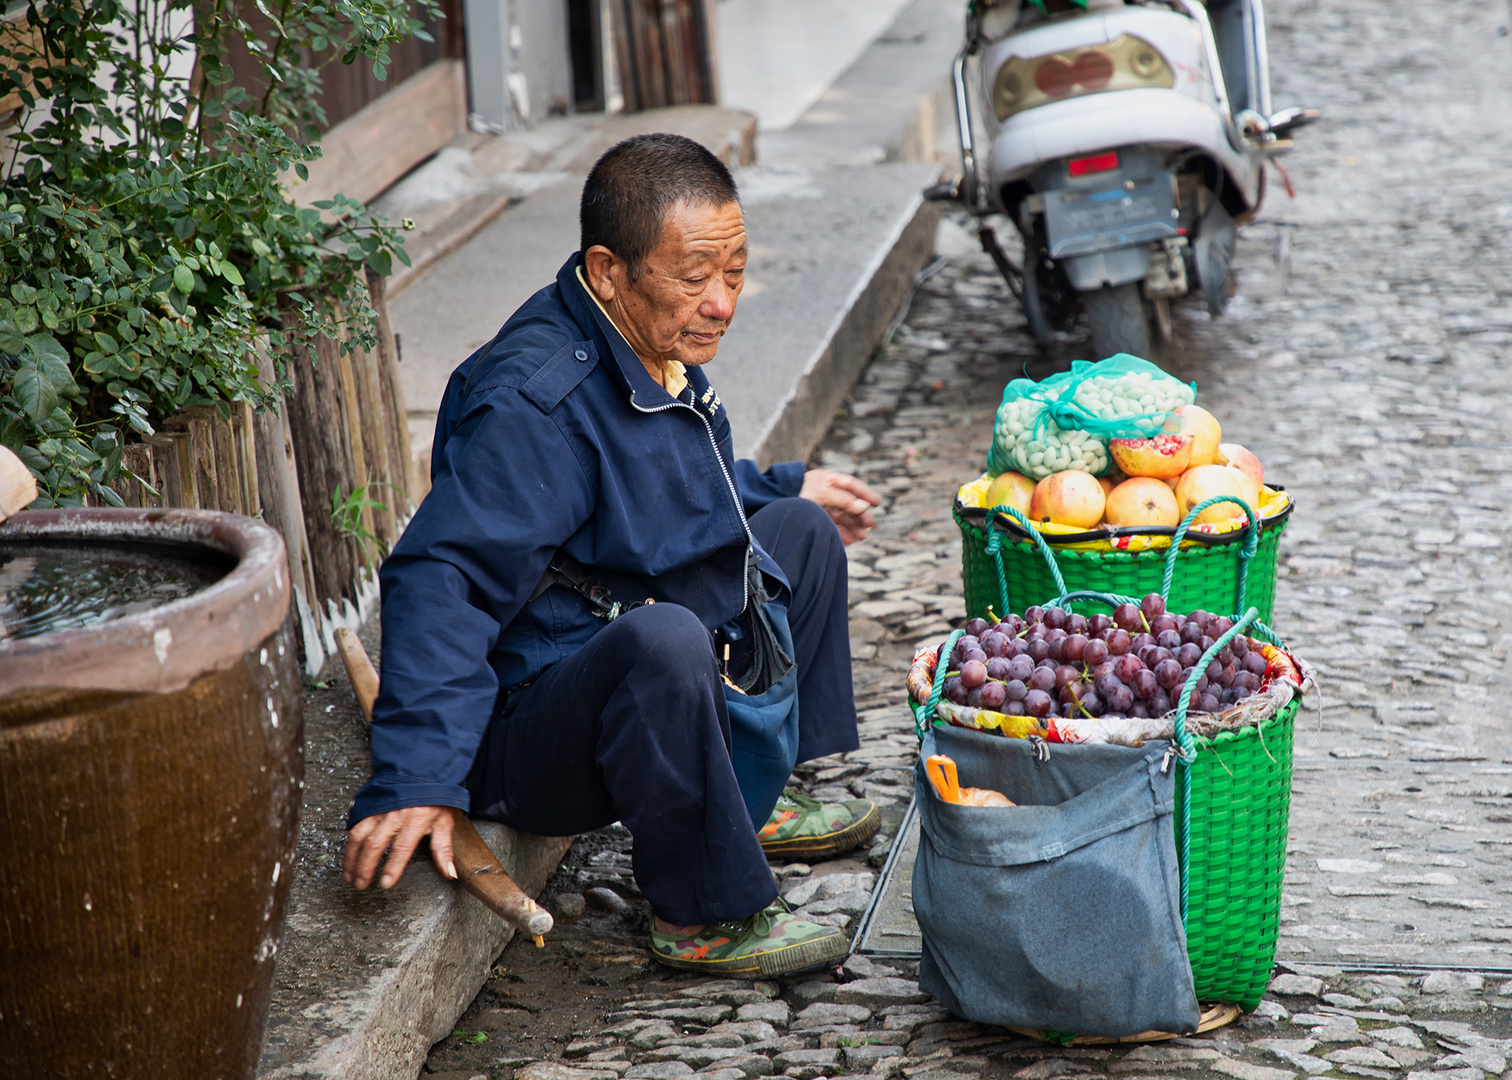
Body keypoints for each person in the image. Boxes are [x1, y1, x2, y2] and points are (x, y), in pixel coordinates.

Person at [342, 133, 885, 978]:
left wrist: (780, 484)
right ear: (609, 271)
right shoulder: (532, 404)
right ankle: (702, 913)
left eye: (734, 273)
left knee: (798, 533)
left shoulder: (648, 341)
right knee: (664, 640)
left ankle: (747, 803)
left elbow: (663, 473)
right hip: (540, 723)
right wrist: (416, 776)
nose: (721, 303)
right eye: (695, 276)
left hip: (615, 623)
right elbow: (445, 576)